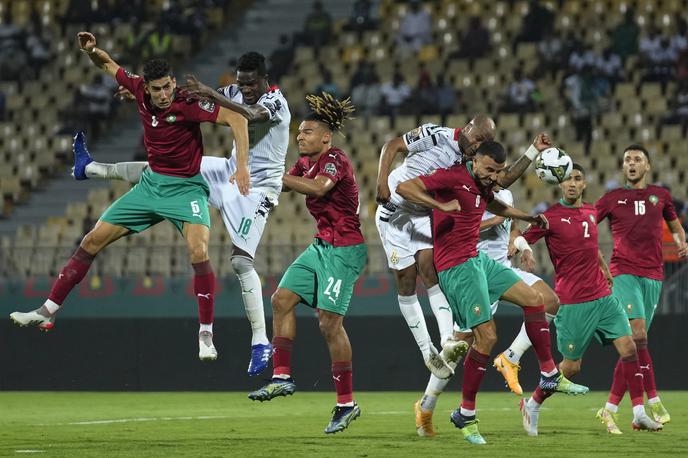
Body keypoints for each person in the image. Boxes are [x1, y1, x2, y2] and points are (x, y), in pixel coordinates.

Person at [9, 32, 250, 361]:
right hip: (151, 186)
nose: (164, 94)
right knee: (92, 240)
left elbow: (236, 118)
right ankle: (48, 310)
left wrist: (243, 167)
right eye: (157, 89)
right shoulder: (137, 89)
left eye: (167, 86)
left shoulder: (188, 102)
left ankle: (205, 333)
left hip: (187, 188)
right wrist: (92, 51)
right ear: (147, 87)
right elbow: (108, 64)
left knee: (199, 250)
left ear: (173, 82)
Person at [67, 52, 290, 375]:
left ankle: (260, 342)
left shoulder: (276, 103)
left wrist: (213, 93)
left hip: (256, 189)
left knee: (241, 262)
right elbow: (192, 103)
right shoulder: (235, 93)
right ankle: (92, 169)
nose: (245, 88)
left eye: (251, 83)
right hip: (227, 172)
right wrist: (140, 96)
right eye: (240, 83)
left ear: (264, 79)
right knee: (167, 170)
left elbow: (250, 115)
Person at [396, 141, 588, 445]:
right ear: (474, 161)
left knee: (535, 300)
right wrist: (441, 206)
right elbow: (406, 187)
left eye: (498, 171)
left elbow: (495, 204)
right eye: (489, 170)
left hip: (478, 260)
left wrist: (526, 217)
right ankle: (465, 414)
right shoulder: (450, 176)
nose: (494, 177)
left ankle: (549, 373)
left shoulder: (484, 184)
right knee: (484, 337)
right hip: (457, 267)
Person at [376, 118, 552, 380]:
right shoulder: (435, 135)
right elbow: (392, 145)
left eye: (484, 143)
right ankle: (427, 350)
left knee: (429, 267)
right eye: (478, 139)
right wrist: (381, 182)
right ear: (468, 129)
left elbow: (499, 180)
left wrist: (532, 151)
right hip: (395, 212)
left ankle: (445, 341)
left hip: (425, 212)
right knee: (406, 280)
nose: (478, 146)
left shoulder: (472, 165)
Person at [247, 93, 366, 435]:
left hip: (344, 250)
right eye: (299, 132)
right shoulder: (303, 163)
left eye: (308, 131)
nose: (300, 136)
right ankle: (282, 377)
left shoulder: (335, 160)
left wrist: (275, 177)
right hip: (320, 247)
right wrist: (254, 174)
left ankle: (346, 403)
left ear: (326, 137)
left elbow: (317, 189)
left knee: (329, 324)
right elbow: (281, 183)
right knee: (281, 300)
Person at [516, 164, 662, 436]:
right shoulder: (549, 217)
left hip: (604, 298)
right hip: (573, 303)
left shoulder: (592, 212)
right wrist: (525, 250)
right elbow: (521, 238)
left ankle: (639, 413)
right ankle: (533, 403)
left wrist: (605, 270)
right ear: (560, 184)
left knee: (630, 348)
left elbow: (591, 246)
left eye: (578, 179)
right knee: (571, 368)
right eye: (568, 179)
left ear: (584, 185)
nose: (572, 183)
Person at [413, 187, 560, 436]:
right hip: (472, 270)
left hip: (501, 268)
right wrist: (494, 219)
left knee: (548, 301)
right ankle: (426, 405)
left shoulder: (507, 194)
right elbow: (453, 232)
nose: (495, 174)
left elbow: (511, 230)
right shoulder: (464, 191)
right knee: (463, 343)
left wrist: (522, 245)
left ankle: (510, 357)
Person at [595, 145, 687, 432]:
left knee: (634, 344)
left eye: (637, 160)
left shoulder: (661, 196)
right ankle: (653, 399)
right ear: (623, 167)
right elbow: (585, 224)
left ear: (647, 166)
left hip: (654, 276)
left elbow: (675, 227)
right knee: (637, 333)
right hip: (623, 272)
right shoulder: (611, 199)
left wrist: (682, 241)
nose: (631, 164)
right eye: (627, 160)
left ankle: (612, 408)